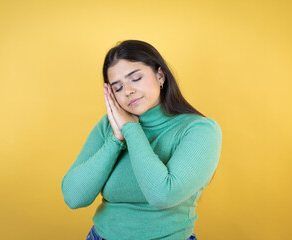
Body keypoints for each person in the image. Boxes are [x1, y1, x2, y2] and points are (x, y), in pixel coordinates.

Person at [61, 40, 222, 240]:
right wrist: (116, 140)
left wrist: (131, 128)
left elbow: (162, 195)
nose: (128, 91)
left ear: (160, 75)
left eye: (135, 78)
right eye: (117, 88)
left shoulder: (199, 129)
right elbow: (73, 197)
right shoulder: (109, 125)